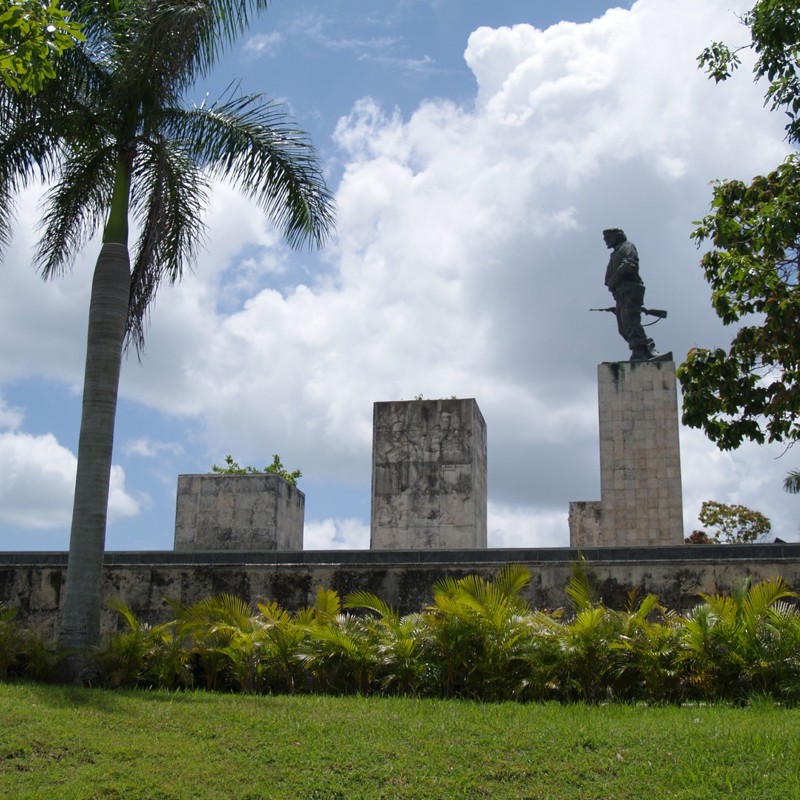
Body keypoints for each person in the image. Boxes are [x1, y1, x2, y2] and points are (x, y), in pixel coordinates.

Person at [602, 228, 658, 361]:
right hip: (620, 293)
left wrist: (614, 279)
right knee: (623, 327)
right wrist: (610, 282)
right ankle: (645, 346)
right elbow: (607, 278)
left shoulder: (627, 247)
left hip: (630, 289)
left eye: (608, 237)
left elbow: (629, 264)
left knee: (630, 322)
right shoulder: (614, 254)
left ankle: (641, 351)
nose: (606, 241)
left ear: (617, 236)